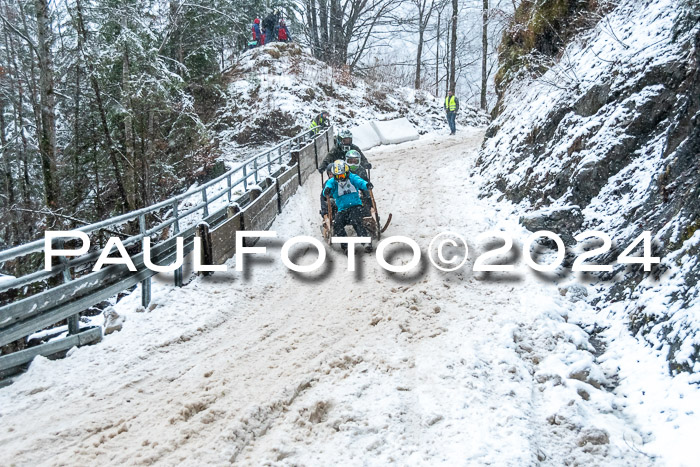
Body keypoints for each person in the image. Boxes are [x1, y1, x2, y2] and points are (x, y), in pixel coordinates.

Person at [323, 160, 374, 252]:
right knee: (337, 223)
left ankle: (366, 242)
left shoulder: (352, 177)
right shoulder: (333, 182)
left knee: (356, 220)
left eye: (342, 175)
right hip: (342, 209)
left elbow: (360, 182)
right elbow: (328, 186)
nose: (340, 178)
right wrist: (327, 190)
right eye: (338, 176)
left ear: (346, 173)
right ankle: (346, 246)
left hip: (355, 206)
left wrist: (366, 185)